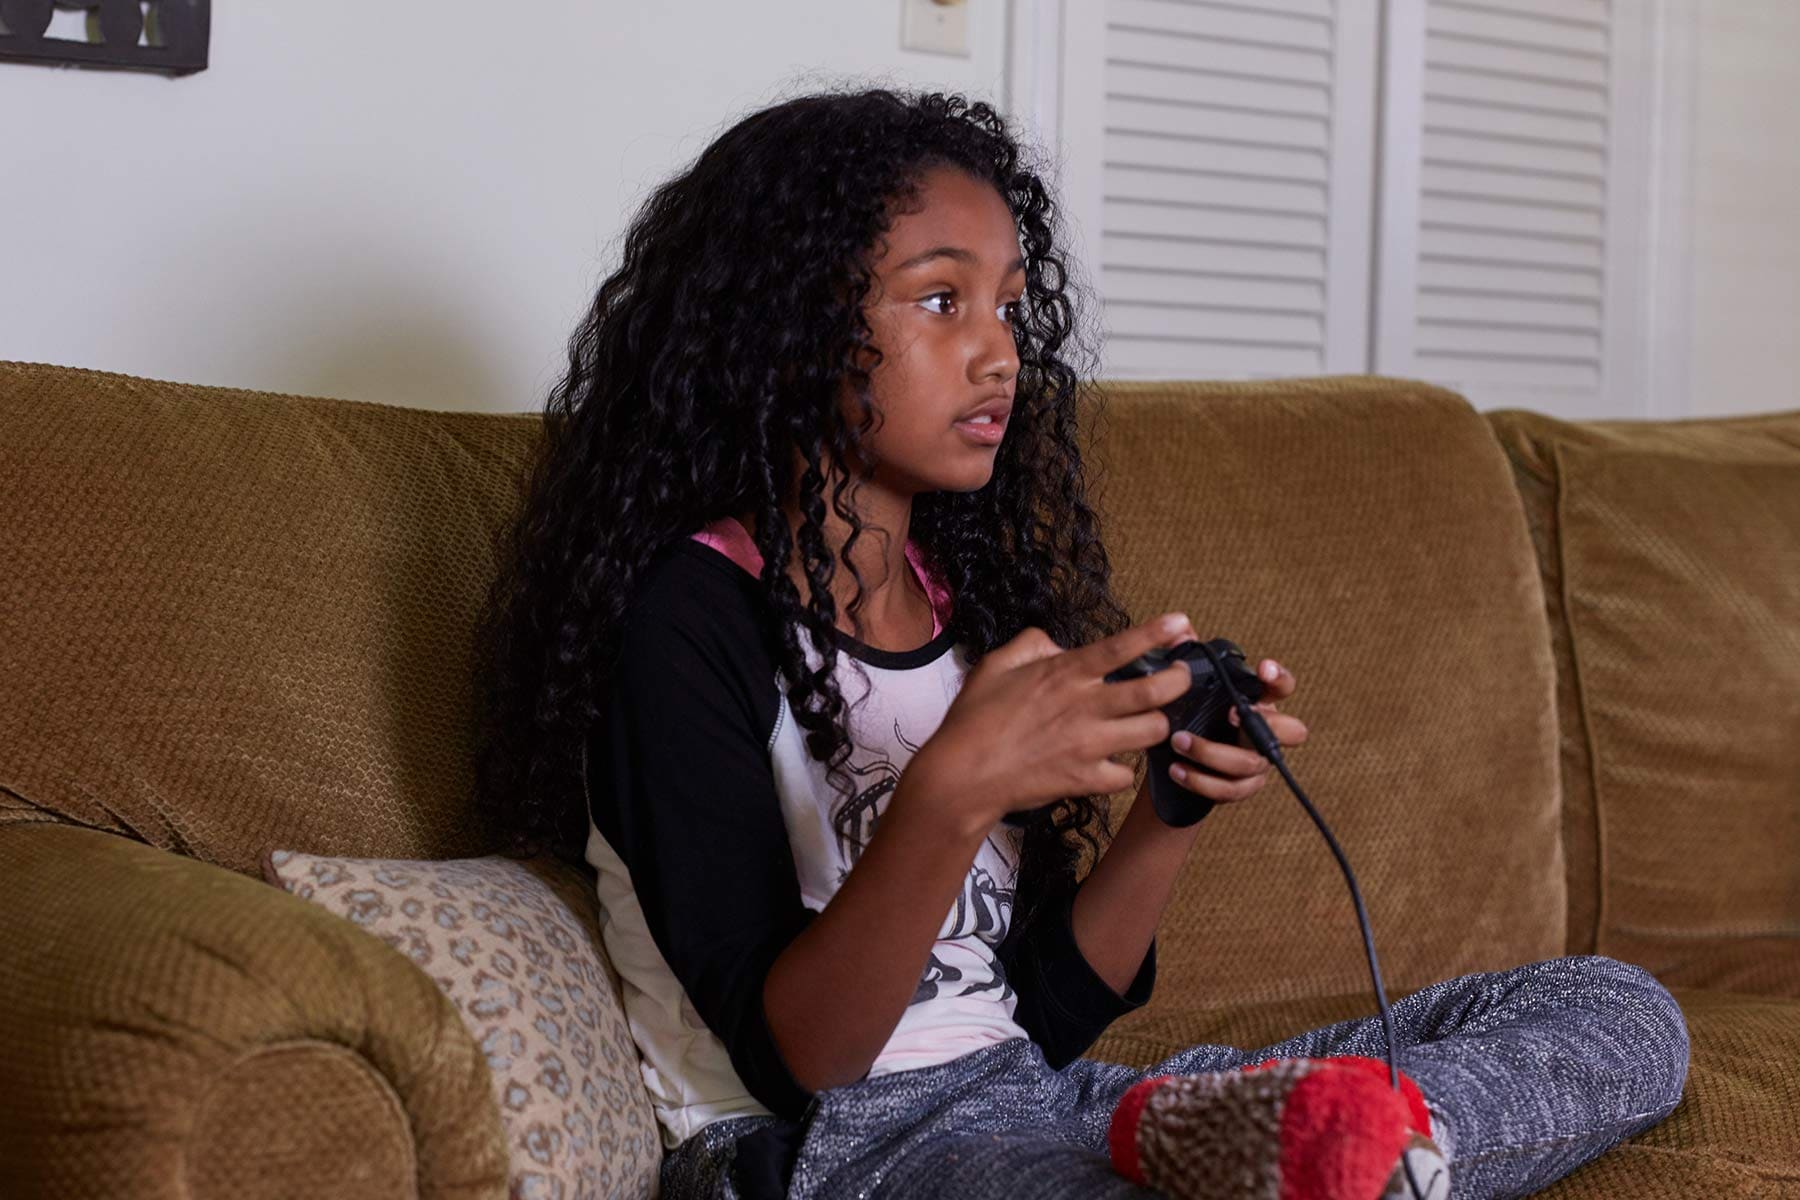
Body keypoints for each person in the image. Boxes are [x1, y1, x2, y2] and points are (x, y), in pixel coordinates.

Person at [472, 85, 1691, 1200]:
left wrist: (1167, 815)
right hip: (822, 1154)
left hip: (1043, 1109)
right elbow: (806, 1060)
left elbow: (1042, 1017)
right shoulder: (684, 620)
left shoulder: (973, 611)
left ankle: (1318, 1150)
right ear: (785, 326)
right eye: (941, 300)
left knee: (1618, 1008)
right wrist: (952, 788)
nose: (1000, 350)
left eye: (1008, 305)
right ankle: (1311, 1160)